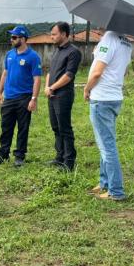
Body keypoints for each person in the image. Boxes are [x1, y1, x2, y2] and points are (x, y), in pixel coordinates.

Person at [83, 30, 132, 201]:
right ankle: (104, 182)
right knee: (104, 143)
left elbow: (97, 73)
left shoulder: (109, 38)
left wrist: (87, 88)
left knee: (107, 146)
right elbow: (123, 71)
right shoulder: (126, 42)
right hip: (114, 97)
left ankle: (116, 191)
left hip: (102, 99)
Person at [0, 25, 41, 167]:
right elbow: (5, 73)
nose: (11, 39)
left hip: (24, 97)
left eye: (14, 37)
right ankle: (3, 154)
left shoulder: (33, 57)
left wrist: (34, 99)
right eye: (11, 37)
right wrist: (0, 93)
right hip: (9, 98)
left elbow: (37, 79)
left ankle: (19, 156)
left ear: (23, 39)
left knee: (23, 128)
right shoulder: (9, 54)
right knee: (6, 128)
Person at [45, 22, 82, 171]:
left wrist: (52, 87)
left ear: (64, 34)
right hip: (52, 94)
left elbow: (69, 75)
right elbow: (50, 71)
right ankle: (59, 157)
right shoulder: (56, 51)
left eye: (54, 34)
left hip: (63, 95)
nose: (52, 37)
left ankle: (69, 161)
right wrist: (47, 86)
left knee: (64, 128)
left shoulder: (73, 52)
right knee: (55, 127)